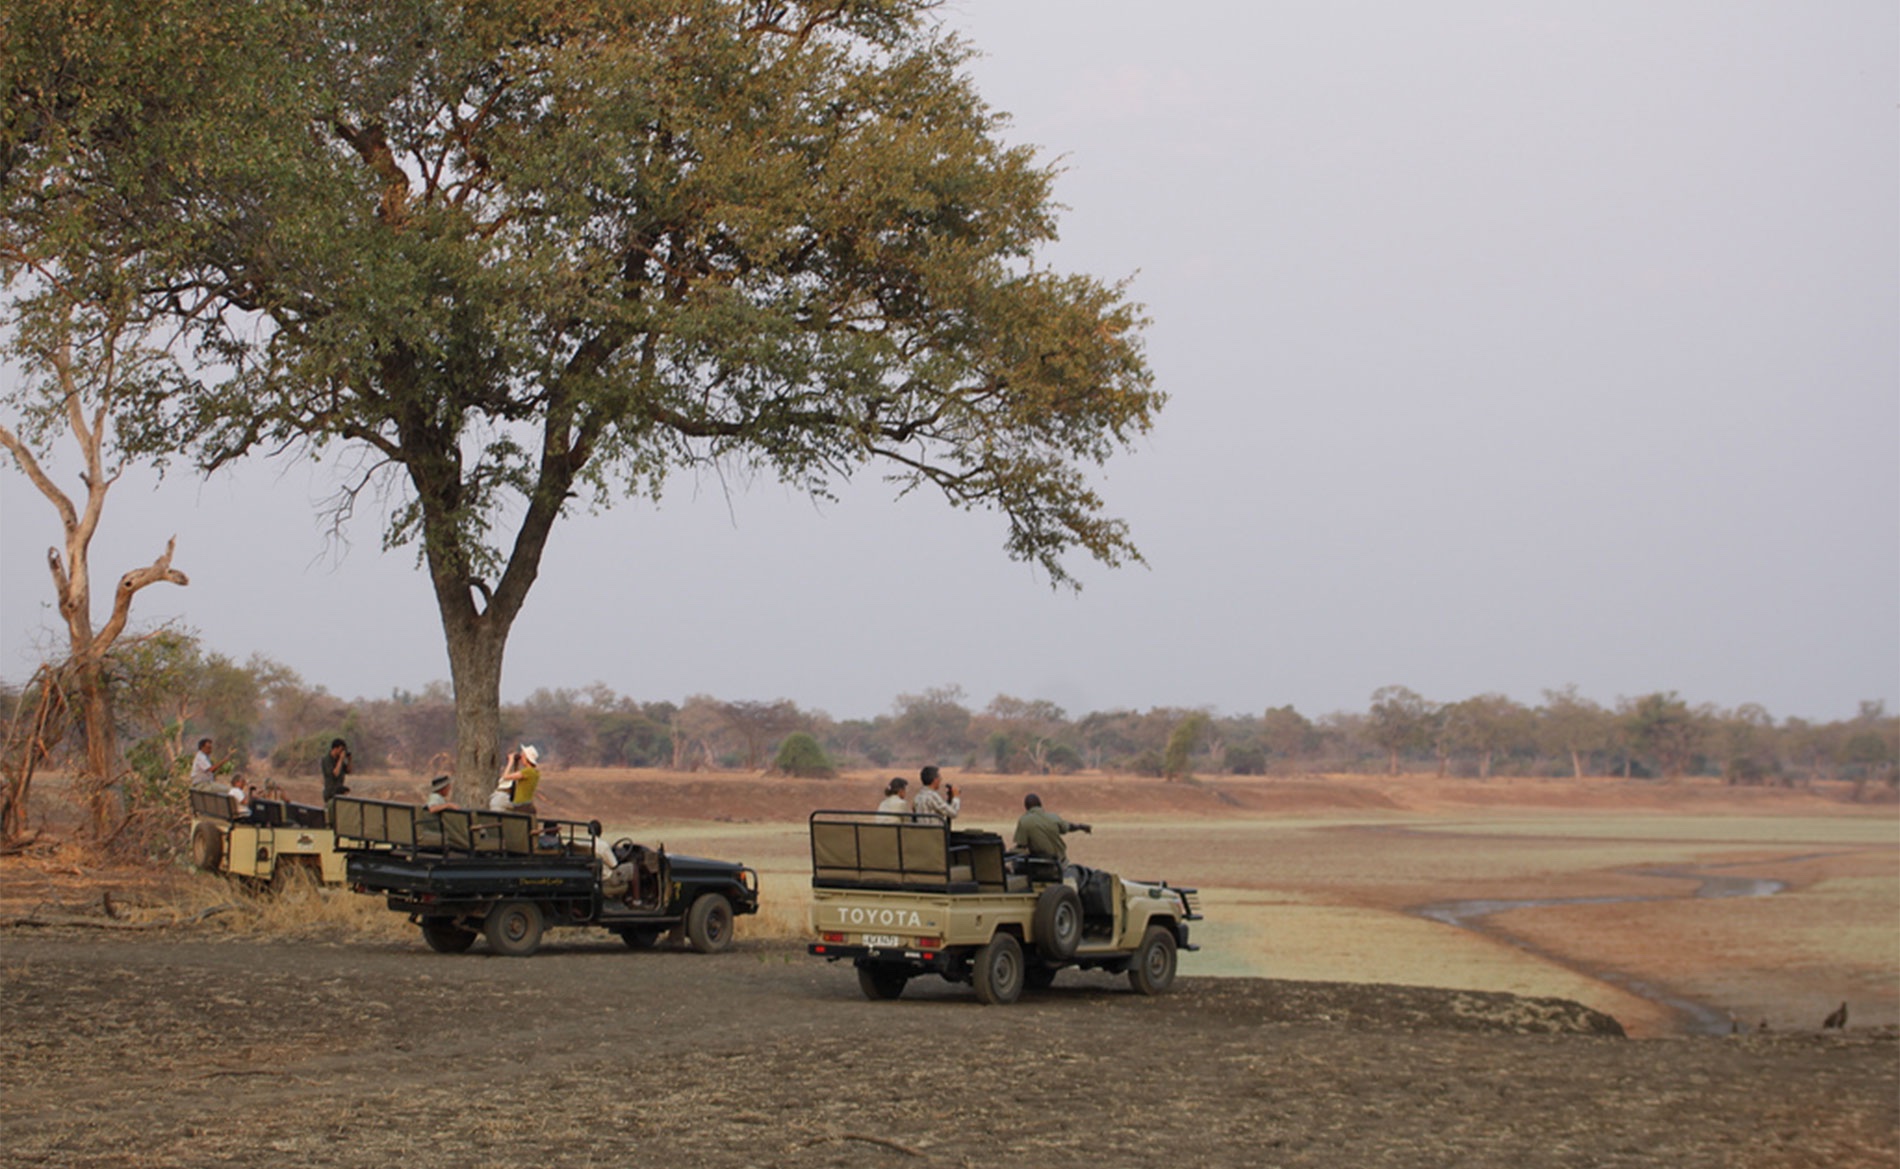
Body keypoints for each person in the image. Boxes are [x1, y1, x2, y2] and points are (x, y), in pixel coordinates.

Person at [1013, 792, 1091, 862]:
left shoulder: (1024, 821)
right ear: (1040, 805)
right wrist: (1081, 827)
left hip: (1041, 865)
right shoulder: (1054, 817)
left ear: (1026, 807)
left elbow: (1021, 845)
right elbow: (1068, 827)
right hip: (1060, 863)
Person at [499, 744, 541, 816]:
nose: (521, 757)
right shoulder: (534, 772)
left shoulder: (528, 772)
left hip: (521, 806)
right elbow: (517, 775)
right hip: (527, 805)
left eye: (522, 755)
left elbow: (505, 777)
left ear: (526, 757)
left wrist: (510, 761)